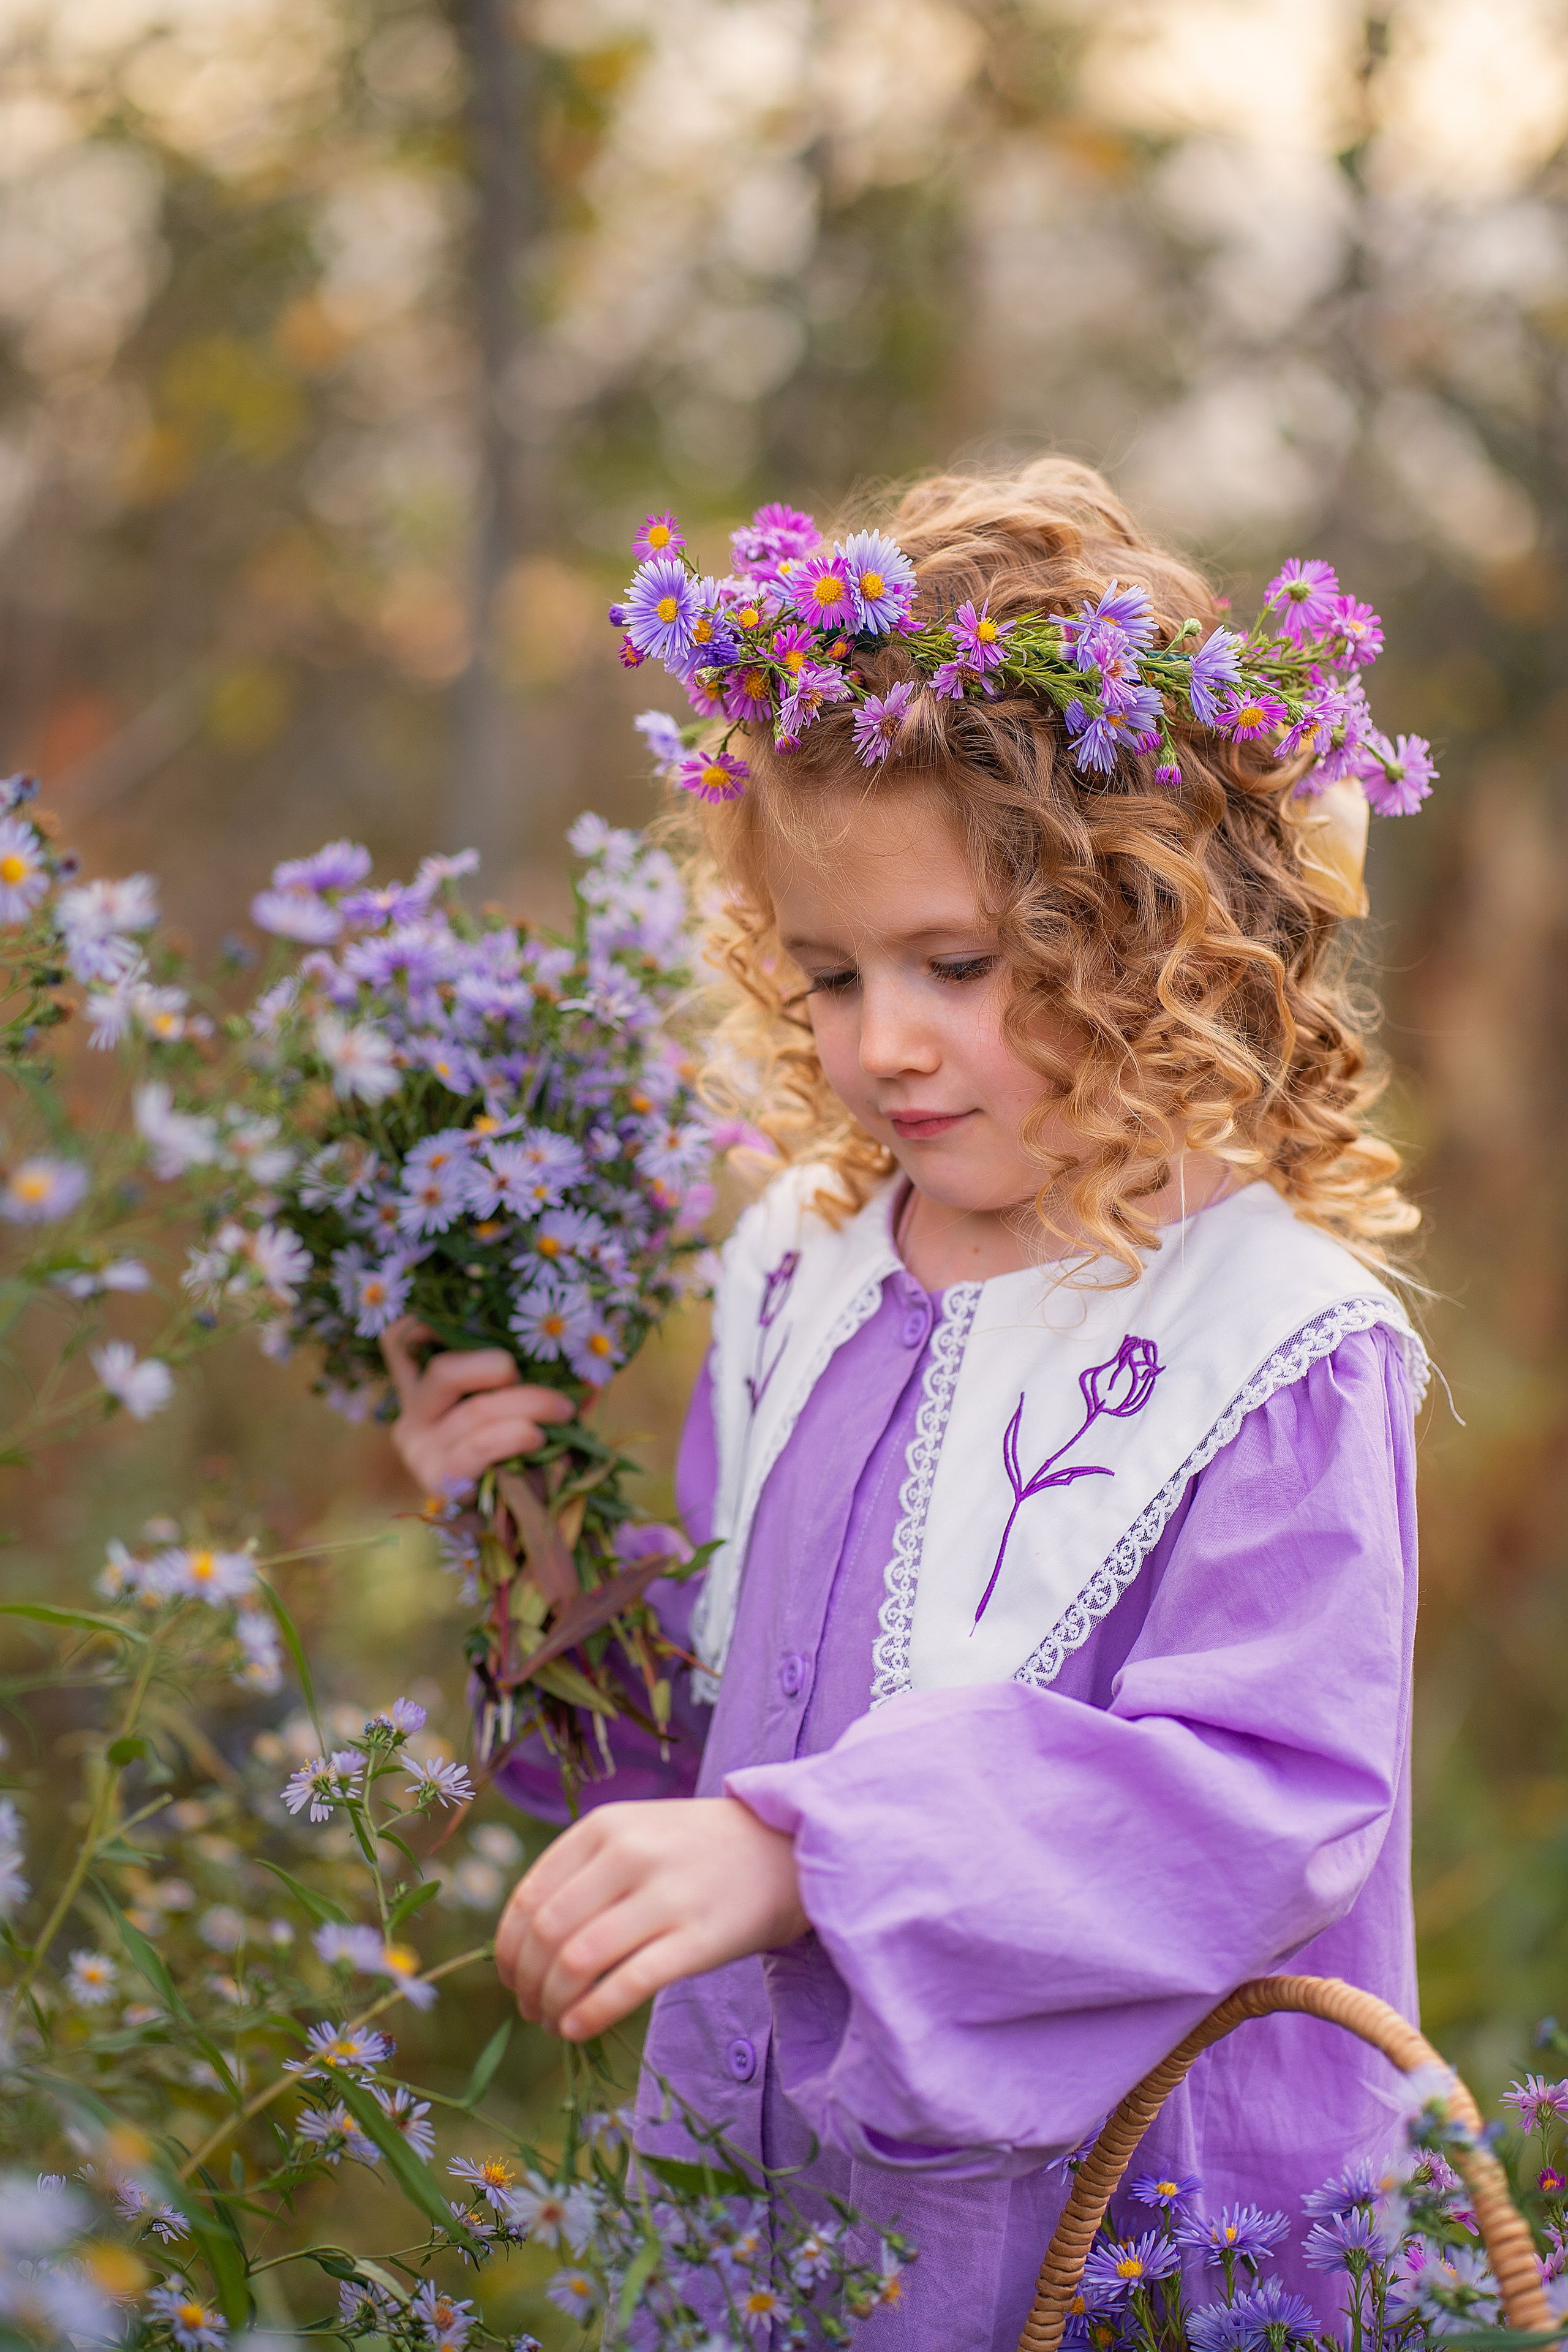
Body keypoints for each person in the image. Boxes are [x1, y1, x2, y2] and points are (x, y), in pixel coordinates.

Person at [382, 459, 1428, 2348]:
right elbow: (717, 1736)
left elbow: (1266, 1805)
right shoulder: (807, 1264)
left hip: (1096, 2232)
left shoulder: (1268, 1339)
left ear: (1145, 930)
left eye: (958, 966)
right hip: (764, 2196)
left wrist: (811, 1851)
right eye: (829, 973)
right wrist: (531, 1526)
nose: (883, 1043)